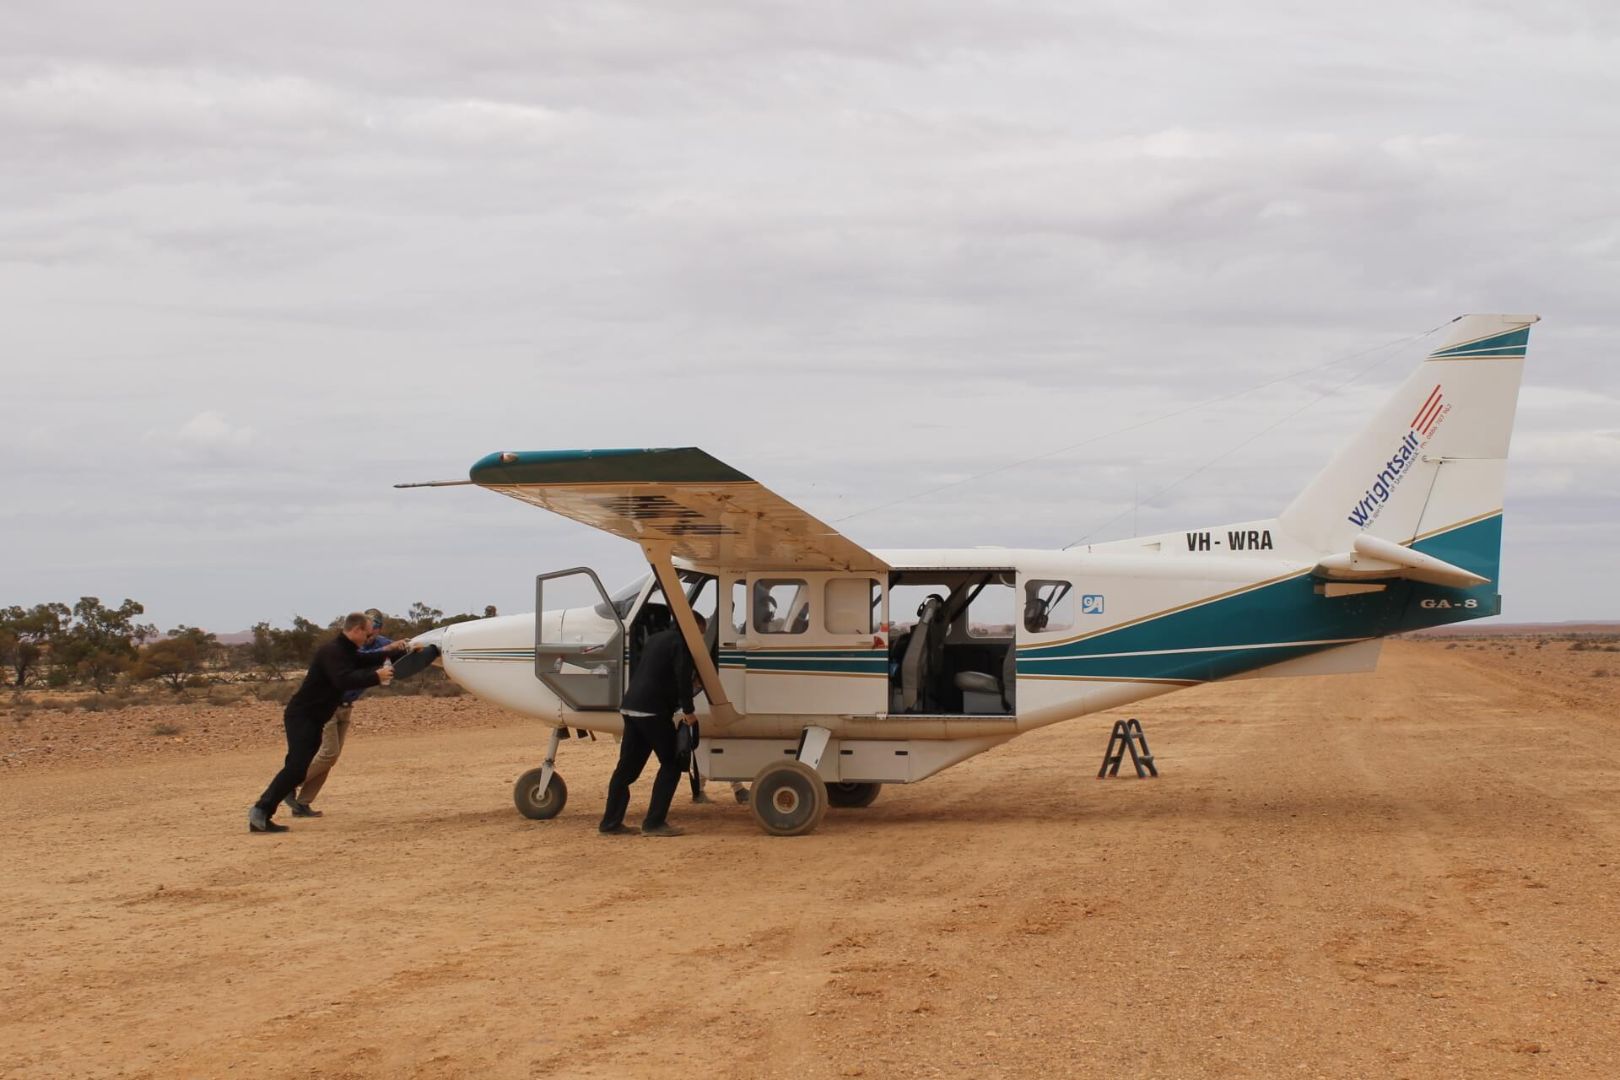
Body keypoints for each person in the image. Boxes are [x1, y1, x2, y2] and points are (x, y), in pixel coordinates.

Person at [248, 612, 409, 833]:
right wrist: (376, 677)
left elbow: (368, 658)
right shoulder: (333, 651)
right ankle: (260, 810)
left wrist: (399, 650)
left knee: (297, 768)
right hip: (302, 716)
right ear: (357, 630)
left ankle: (262, 815)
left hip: (315, 718)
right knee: (296, 768)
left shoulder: (347, 650)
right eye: (367, 632)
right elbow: (343, 679)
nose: (369, 636)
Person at [600, 612, 705, 838]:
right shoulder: (681, 644)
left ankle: (610, 823)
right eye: (701, 632)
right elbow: (682, 677)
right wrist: (689, 712)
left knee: (625, 769)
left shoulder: (656, 639)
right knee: (672, 764)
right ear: (692, 626)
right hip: (652, 711)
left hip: (630, 706)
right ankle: (654, 823)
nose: (700, 638)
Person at [284, 610, 392, 817]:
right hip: (329, 707)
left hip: (347, 706)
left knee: (330, 758)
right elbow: (355, 667)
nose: (371, 632)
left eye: (376, 627)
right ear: (359, 628)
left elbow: (394, 650)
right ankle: (288, 783)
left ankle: (303, 803)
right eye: (369, 627)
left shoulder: (380, 644)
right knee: (328, 753)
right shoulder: (343, 649)